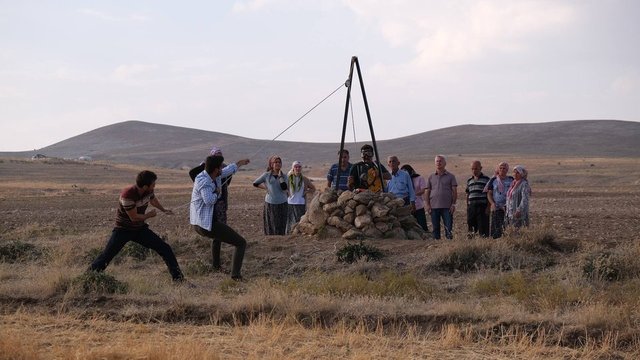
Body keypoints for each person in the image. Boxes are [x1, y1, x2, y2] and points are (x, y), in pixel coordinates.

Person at [89, 170, 185, 282]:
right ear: (145, 186)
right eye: (153, 184)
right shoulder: (127, 195)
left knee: (165, 248)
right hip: (123, 230)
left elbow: (153, 200)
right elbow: (133, 217)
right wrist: (149, 215)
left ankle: (179, 280)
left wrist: (164, 210)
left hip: (139, 229)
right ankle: (88, 278)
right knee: (106, 256)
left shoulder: (148, 192)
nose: (154, 186)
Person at [191, 155, 250, 280]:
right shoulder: (204, 181)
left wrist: (240, 163)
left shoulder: (214, 175)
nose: (222, 170)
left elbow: (229, 170)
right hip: (205, 224)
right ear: (216, 169)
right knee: (241, 243)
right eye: (220, 168)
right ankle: (235, 276)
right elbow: (209, 200)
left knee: (219, 238)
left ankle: (216, 266)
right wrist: (217, 192)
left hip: (203, 223)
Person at [189, 146, 233, 225]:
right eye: (216, 156)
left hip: (221, 196)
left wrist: (223, 186)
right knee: (212, 219)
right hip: (209, 194)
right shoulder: (205, 167)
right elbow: (192, 173)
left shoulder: (224, 166)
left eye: (220, 156)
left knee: (221, 220)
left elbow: (229, 175)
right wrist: (199, 186)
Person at [253, 155, 289, 235]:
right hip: (270, 203)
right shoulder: (266, 175)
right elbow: (255, 183)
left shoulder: (285, 176)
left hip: (282, 203)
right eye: (275, 162)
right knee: (271, 224)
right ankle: (271, 240)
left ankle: (280, 240)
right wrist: (266, 188)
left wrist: (280, 177)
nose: (278, 164)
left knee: (281, 224)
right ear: (271, 164)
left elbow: (284, 188)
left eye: (279, 162)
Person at [425, 155, 458, 240]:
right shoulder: (431, 177)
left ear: (445, 163)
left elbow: (454, 191)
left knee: (448, 227)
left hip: (447, 207)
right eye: (437, 161)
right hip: (433, 206)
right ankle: (437, 245)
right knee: (435, 228)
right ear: (435, 163)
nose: (438, 163)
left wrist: (453, 204)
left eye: (440, 161)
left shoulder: (451, 176)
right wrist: (427, 204)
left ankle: (449, 246)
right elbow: (427, 191)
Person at [484, 162, 514, 239]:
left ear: (507, 170)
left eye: (504, 168)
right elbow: (489, 194)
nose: (502, 170)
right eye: (500, 168)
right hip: (496, 207)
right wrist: (492, 203)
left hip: (508, 208)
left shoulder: (511, 180)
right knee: (496, 229)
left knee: (508, 227)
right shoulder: (493, 180)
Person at [286, 161, 316, 234]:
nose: (297, 168)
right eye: (296, 167)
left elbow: (313, 188)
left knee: (299, 220)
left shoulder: (304, 179)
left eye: (299, 167)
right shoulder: (288, 178)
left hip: (301, 203)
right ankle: (289, 234)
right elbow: (284, 188)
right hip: (290, 203)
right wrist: (287, 193)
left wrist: (306, 192)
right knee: (290, 221)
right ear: (293, 168)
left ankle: (298, 234)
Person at [465, 160, 491, 237]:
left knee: (483, 227)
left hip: (482, 206)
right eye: (472, 169)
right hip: (472, 207)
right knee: (471, 226)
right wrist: (468, 206)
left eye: (476, 168)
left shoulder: (486, 179)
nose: (474, 171)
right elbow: (468, 193)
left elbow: (489, 194)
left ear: (481, 168)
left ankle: (484, 244)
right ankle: (471, 244)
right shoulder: (469, 180)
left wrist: (488, 207)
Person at [401, 164, 429, 232]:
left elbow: (422, 190)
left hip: (418, 205)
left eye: (406, 171)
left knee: (422, 225)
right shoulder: (404, 180)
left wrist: (413, 195)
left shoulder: (419, 178)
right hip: (408, 206)